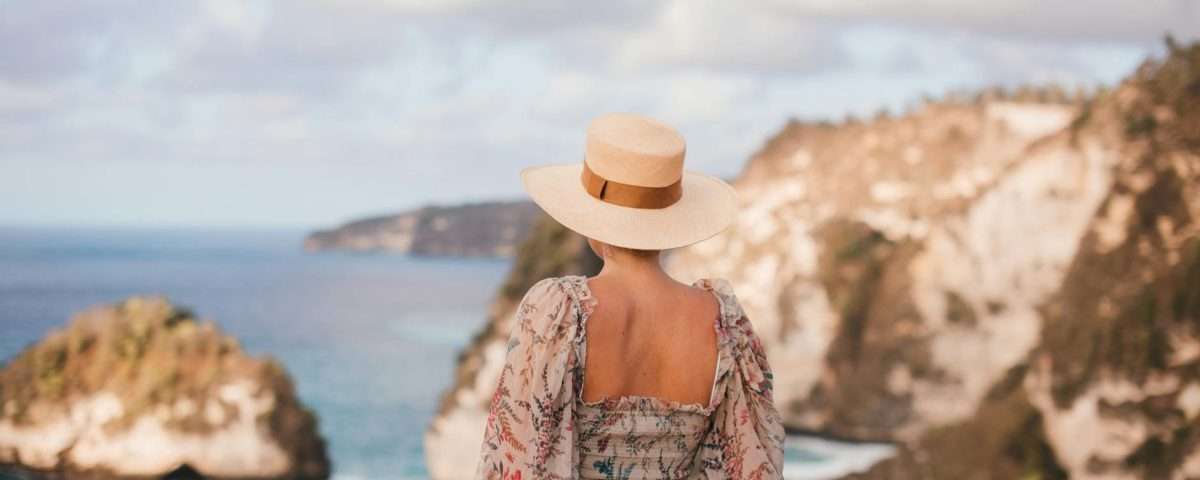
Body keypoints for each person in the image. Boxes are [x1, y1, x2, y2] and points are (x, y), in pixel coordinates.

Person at [475, 113, 784, 479]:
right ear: (672, 220)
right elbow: (748, 464)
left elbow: (516, 459)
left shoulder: (558, 311)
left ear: (591, 220)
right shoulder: (725, 322)